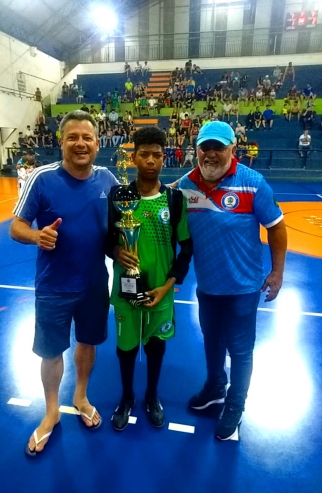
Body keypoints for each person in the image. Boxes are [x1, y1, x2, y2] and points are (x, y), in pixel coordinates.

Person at [10, 110, 119, 457]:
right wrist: (36, 236)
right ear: (61, 142)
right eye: (72, 137)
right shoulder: (42, 179)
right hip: (54, 286)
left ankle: (81, 396)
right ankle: (52, 410)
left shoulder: (108, 181)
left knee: (88, 345)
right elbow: (16, 227)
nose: (80, 144)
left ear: (98, 144)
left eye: (87, 137)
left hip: (93, 285)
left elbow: (121, 228)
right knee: (51, 351)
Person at [175, 121, 287, 440]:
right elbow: (160, 212)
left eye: (218, 147)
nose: (211, 154)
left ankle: (236, 403)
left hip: (243, 288)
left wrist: (277, 272)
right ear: (196, 150)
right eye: (205, 147)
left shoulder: (253, 183)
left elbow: (277, 227)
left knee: (239, 349)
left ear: (232, 150)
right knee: (211, 339)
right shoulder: (185, 186)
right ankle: (215, 387)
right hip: (208, 287)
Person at [105, 127, 193, 431]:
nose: (151, 160)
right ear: (133, 157)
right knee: (126, 347)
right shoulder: (118, 196)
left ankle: (152, 396)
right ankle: (127, 397)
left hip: (161, 292)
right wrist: (116, 250)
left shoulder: (175, 199)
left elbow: (186, 249)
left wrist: (168, 285)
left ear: (164, 157)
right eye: (145, 154)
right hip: (125, 291)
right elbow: (107, 240)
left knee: (156, 346)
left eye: (157, 154)